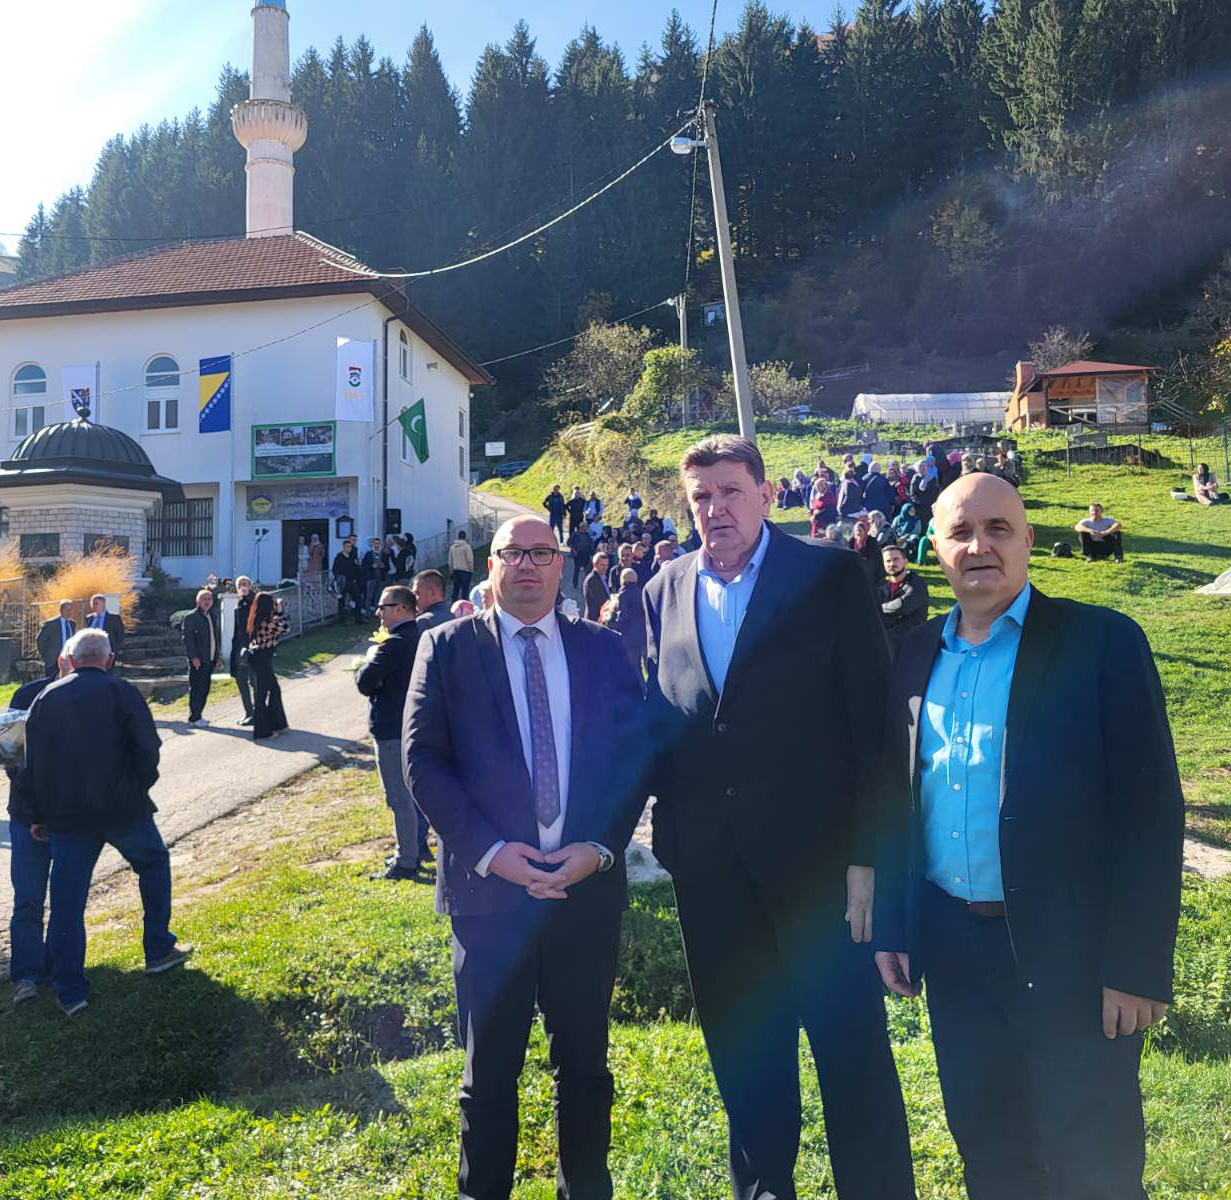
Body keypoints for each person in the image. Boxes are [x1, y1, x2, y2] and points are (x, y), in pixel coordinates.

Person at [873, 472, 1183, 1200]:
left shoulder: (1101, 642)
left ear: (1029, 542)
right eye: (960, 532)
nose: (979, 546)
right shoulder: (914, 652)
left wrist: (1137, 964)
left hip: (1073, 953)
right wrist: (894, 922)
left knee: (1093, 1159)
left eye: (998, 529)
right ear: (935, 547)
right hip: (955, 951)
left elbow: (1150, 811)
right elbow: (897, 797)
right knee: (989, 1148)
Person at [642, 434, 915, 1200]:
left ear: (766, 495)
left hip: (822, 877)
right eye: (701, 496)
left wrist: (869, 856)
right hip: (712, 881)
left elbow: (874, 725)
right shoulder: (663, 589)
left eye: (731, 491)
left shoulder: (828, 575)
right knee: (747, 1061)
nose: (715, 508)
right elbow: (661, 724)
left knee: (852, 1059)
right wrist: (666, 841)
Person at [402, 515, 647, 1200]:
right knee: (488, 1077)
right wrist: (488, 852)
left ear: (562, 564)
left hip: (583, 894)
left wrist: (600, 848)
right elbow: (423, 763)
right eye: (514, 553)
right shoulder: (446, 648)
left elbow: (634, 757)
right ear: (492, 566)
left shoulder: (602, 649)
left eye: (542, 553)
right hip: (489, 901)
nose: (528, 565)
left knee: (586, 1070)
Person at [25, 628, 189, 1016]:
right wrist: (138, 787)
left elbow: (33, 765)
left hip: (67, 815)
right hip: (122, 808)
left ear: (71, 660)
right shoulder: (121, 691)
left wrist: (38, 814)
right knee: (153, 863)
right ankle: (158, 948)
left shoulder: (46, 698)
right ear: (109, 659)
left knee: (67, 901)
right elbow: (148, 749)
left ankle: (70, 990)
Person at [4, 658, 66, 1004]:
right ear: (62, 662)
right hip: (25, 815)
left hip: (70, 818)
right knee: (28, 899)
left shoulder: (90, 696)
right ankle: (27, 975)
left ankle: (59, 967)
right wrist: (33, 810)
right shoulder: (26, 696)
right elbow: (10, 756)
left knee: (66, 898)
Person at [356, 585, 426, 881]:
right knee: (412, 795)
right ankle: (414, 848)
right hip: (414, 725)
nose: (378, 613)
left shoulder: (395, 643)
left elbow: (364, 681)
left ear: (401, 608)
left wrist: (368, 665)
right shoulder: (421, 637)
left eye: (383, 607)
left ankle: (406, 859)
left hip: (391, 729)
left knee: (398, 797)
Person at [246, 591, 290, 740]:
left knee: (274, 690)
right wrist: (280, 611)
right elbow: (285, 628)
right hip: (262, 659)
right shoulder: (266, 622)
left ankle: (277, 724)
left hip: (261, 658)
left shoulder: (257, 619)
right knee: (262, 694)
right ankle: (261, 731)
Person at [181, 588, 219, 727]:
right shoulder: (191, 617)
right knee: (197, 689)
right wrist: (193, 657)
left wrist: (217, 657)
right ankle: (194, 718)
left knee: (205, 688)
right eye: (204, 599)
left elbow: (215, 638)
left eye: (209, 599)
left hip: (210, 659)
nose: (207, 602)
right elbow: (188, 640)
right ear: (198, 601)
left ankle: (198, 716)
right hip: (198, 660)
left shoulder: (212, 616)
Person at [879, 544, 930, 644]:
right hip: (886, 639)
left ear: (905, 561)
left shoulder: (916, 584)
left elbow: (901, 606)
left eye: (896, 559)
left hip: (912, 640)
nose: (892, 563)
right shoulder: (883, 586)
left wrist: (877, 609)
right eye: (888, 561)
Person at [229, 576, 256, 728]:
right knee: (241, 681)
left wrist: (248, 597)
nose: (243, 587)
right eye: (240, 585)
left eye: (245, 584)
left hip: (252, 648)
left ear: (250, 586)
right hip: (239, 649)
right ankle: (248, 712)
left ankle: (257, 713)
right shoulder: (239, 605)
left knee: (254, 681)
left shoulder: (255, 602)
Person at [613, 567, 646, 678]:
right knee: (646, 665)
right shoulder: (641, 592)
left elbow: (624, 616)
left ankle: (640, 687)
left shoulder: (623, 594)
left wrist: (613, 624)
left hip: (630, 636)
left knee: (634, 667)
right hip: (643, 634)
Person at [36, 600, 79, 678]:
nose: (69, 612)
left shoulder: (72, 624)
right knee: (51, 681)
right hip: (53, 661)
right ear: (61, 610)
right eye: (67, 609)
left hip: (67, 660)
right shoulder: (51, 624)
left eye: (71, 609)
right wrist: (45, 656)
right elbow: (40, 640)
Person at [333, 538, 365, 623]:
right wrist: (338, 579)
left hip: (351, 581)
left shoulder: (351, 557)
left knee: (358, 599)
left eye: (350, 547)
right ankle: (342, 620)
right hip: (343, 582)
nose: (349, 548)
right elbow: (335, 569)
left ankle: (358, 619)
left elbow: (356, 569)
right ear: (344, 547)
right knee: (341, 601)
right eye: (347, 547)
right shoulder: (339, 557)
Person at [582, 551, 612, 625]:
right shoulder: (592, 580)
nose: (605, 568)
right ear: (595, 564)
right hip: (594, 621)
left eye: (607, 565)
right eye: (602, 565)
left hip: (601, 619)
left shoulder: (604, 577)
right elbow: (602, 600)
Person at [448, 530, 476, 602]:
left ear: (458, 537)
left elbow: (450, 561)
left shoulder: (452, 547)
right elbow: (470, 560)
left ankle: (453, 603)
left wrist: (451, 572)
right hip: (465, 571)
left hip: (455, 571)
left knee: (455, 589)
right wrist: (471, 570)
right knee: (465, 590)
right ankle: (464, 604)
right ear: (465, 537)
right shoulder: (467, 547)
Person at [566, 523, 594, 591]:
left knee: (587, 570)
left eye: (587, 527)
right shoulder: (575, 534)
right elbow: (569, 542)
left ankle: (586, 584)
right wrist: (573, 550)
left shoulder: (587, 534)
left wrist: (592, 553)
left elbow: (590, 543)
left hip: (586, 554)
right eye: (585, 527)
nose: (586, 528)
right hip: (578, 554)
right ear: (581, 527)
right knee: (577, 569)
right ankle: (575, 584)